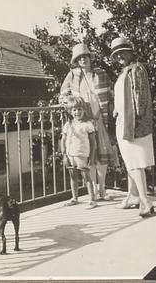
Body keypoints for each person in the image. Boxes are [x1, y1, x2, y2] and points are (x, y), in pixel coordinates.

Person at [59, 43, 114, 201]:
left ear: (90, 57)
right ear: (76, 60)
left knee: (101, 155)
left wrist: (112, 110)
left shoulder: (100, 73)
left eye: (85, 56)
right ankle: (94, 192)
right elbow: (62, 95)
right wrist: (72, 105)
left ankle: (102, 188)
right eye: (79, 57)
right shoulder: (73, 75)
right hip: (83, 122)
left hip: (99, 118)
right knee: (89, 155)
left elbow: (111, 93)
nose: (83, 59)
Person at [110, 36, 155, 217]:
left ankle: (145, 201)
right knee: (130, 162)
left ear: (130, 51)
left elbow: (140, 99)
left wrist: (133, 120)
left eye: (123, 52)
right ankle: (133, 196)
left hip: (133, 125)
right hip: (124, 122)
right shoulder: (126, 71)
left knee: (135, 163)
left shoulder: (137, 69)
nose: (120, 56)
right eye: (117, 54)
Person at [61, 95, 97, 209]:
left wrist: (91, 156)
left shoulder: (87, 124)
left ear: (84, 110)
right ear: (70, 111)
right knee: (73, 176)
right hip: (70, 154)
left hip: (82, 154)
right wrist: (64, 155)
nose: (77, 112)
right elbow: (63, 140)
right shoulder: (68, 125)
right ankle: (74, 198)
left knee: (86, 176)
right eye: (74, 110)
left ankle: (92, 199)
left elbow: (93, 142)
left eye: (79, 109)